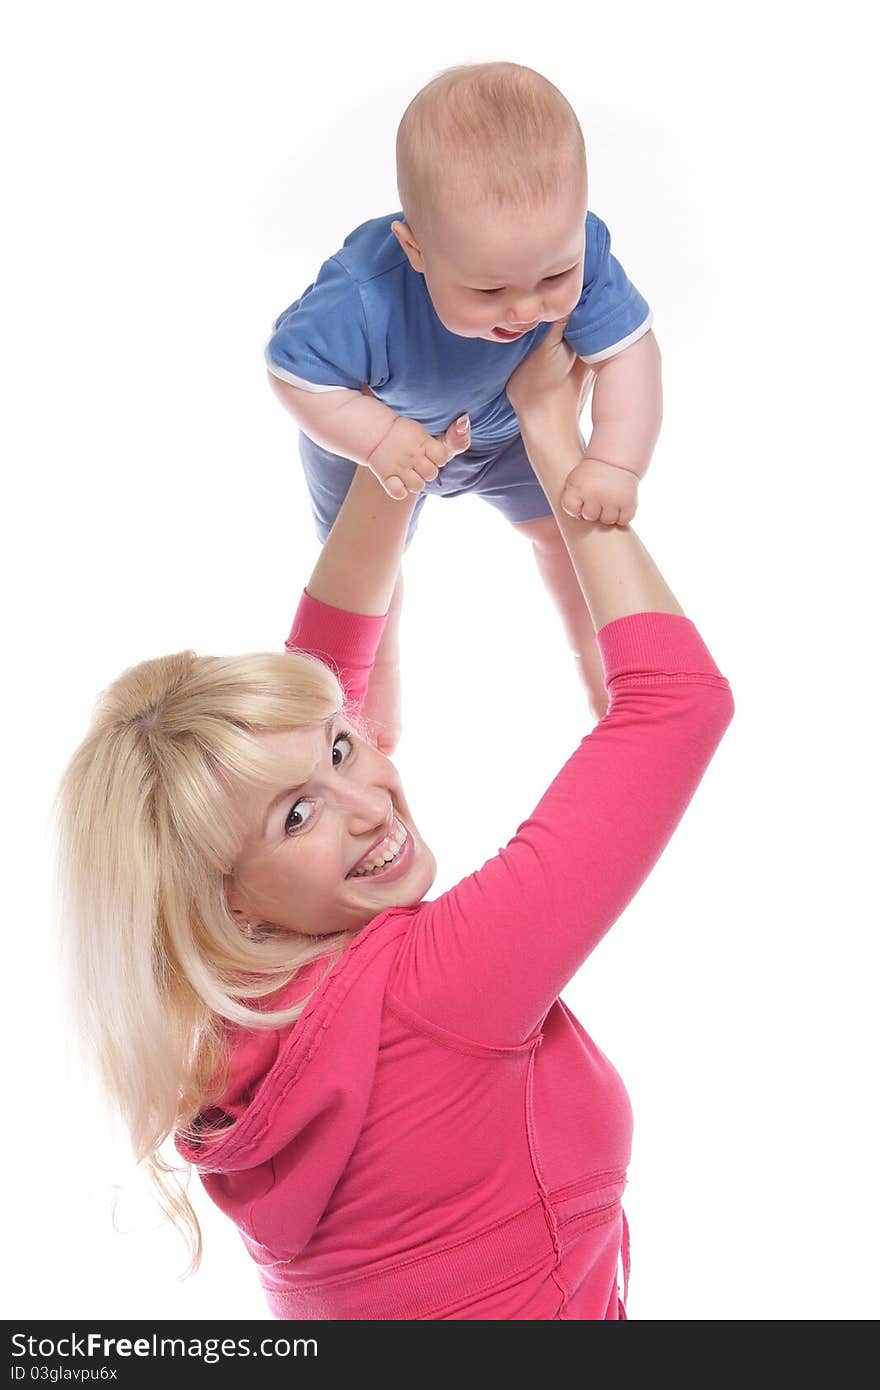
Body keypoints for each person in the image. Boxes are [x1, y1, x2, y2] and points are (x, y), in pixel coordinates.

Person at [55, 322, 734, 1320]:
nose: (371, 797)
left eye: (340, 749)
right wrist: (555, 443)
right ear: (232, 903)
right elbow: (678, 702)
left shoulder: (229, 1036)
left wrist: (400, 457)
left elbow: (324, 693)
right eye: (299, 815)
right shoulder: (434, 989)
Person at [265, 61, 661, 749]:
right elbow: (293, 370)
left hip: (506, 436)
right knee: (369, 574)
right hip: (382, 442)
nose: (527, 308)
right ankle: (372, 712)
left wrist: (615, 463)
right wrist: (379, 436)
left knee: (564, 537)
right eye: (488, 291)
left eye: (554, 276)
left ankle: (608, 685)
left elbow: (629, 352)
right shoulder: (365, 293)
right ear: (415, 250)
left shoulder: (584, 250)